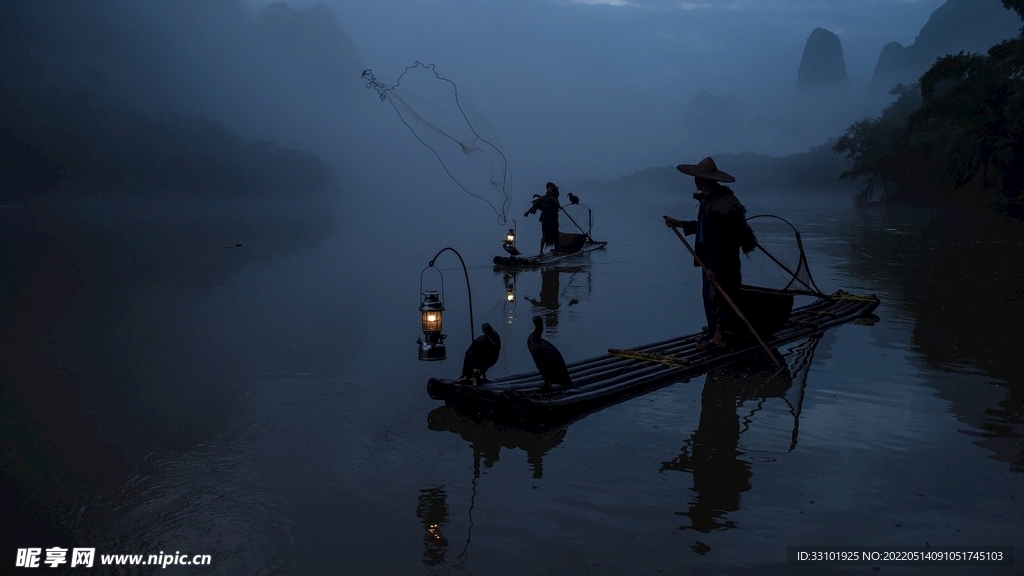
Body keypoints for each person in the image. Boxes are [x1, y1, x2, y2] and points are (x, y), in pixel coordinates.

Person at [663, 157, 756, 348]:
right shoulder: (709, 199)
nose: (695, 181)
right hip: (709, 257)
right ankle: (715, 331)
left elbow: (722, 239)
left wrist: (714, 266)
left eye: (697, 178)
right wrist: (680, 223)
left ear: (703, 180)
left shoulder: (723, 202)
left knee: (721, 295)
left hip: (723, 258)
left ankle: (720, 337)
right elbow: (706, 228)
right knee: (709, 295)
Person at [524, 182, 561, 258]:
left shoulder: (554, 198)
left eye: (550, 189)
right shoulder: (544, 198)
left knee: (555, 234)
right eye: (548, 188)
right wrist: (528, 212)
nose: (549, 189)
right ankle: (541, 251)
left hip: (553, 218)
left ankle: (556, 250)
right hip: (546, 219)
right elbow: (536, 204)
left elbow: (556, 206)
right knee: (545, 235)